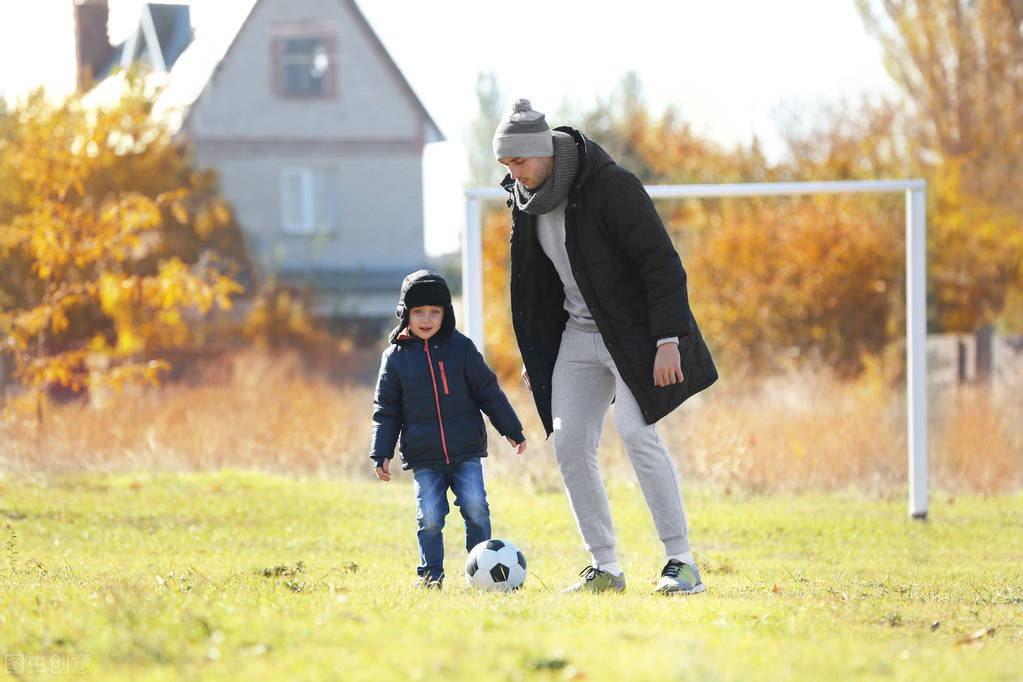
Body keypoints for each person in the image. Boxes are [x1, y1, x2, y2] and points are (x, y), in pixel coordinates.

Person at [492, 99, 718, 595]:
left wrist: (668, 341)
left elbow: (661, 264)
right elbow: (536, 289)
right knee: (570, 445)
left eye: (519, 161)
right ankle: (605, 569)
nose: (513, 173)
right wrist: (539, 355)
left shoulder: (611, 187)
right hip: (577, 335)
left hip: (636, 335)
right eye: (505, 165)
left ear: (544, 151)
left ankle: (681, 563)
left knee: (636, 432)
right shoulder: (525, 201)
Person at [370, 269, 527, 589]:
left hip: (465, 450)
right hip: (424, 456)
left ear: (446, 313)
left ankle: (482, 572)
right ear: (405, 315)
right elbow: (386, 410)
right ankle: (430, 576)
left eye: (434, 312)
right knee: (428, 517)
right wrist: (381, 452)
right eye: (418, 312)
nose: (426, 319)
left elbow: (489, 392)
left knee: (476, 508)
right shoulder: (395, 359)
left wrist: (511, 428)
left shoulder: (462, 349)